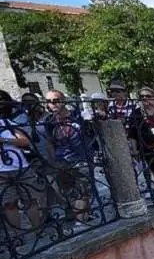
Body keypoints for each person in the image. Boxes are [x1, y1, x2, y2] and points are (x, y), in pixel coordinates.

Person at [43, 90, 94, 223]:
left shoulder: (77, 115)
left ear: (63, 101)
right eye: (48, 102)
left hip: (81, 158)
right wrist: (54, 161)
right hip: (62, 160)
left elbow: (89, 132)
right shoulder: (49, 121)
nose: (52, 104)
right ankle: (85, 216)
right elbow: (50, 142)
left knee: (83, 191)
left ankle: (81, 223)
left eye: (55, 100)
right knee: (71, 193)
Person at [0, 90, 45, 230]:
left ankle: (38, 230)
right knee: (9, 203)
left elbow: (25, 141)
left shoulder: (6, 122)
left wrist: (4, 140)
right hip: (1, 171)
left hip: (20, 166)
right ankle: (17, 236)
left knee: (30, 200)